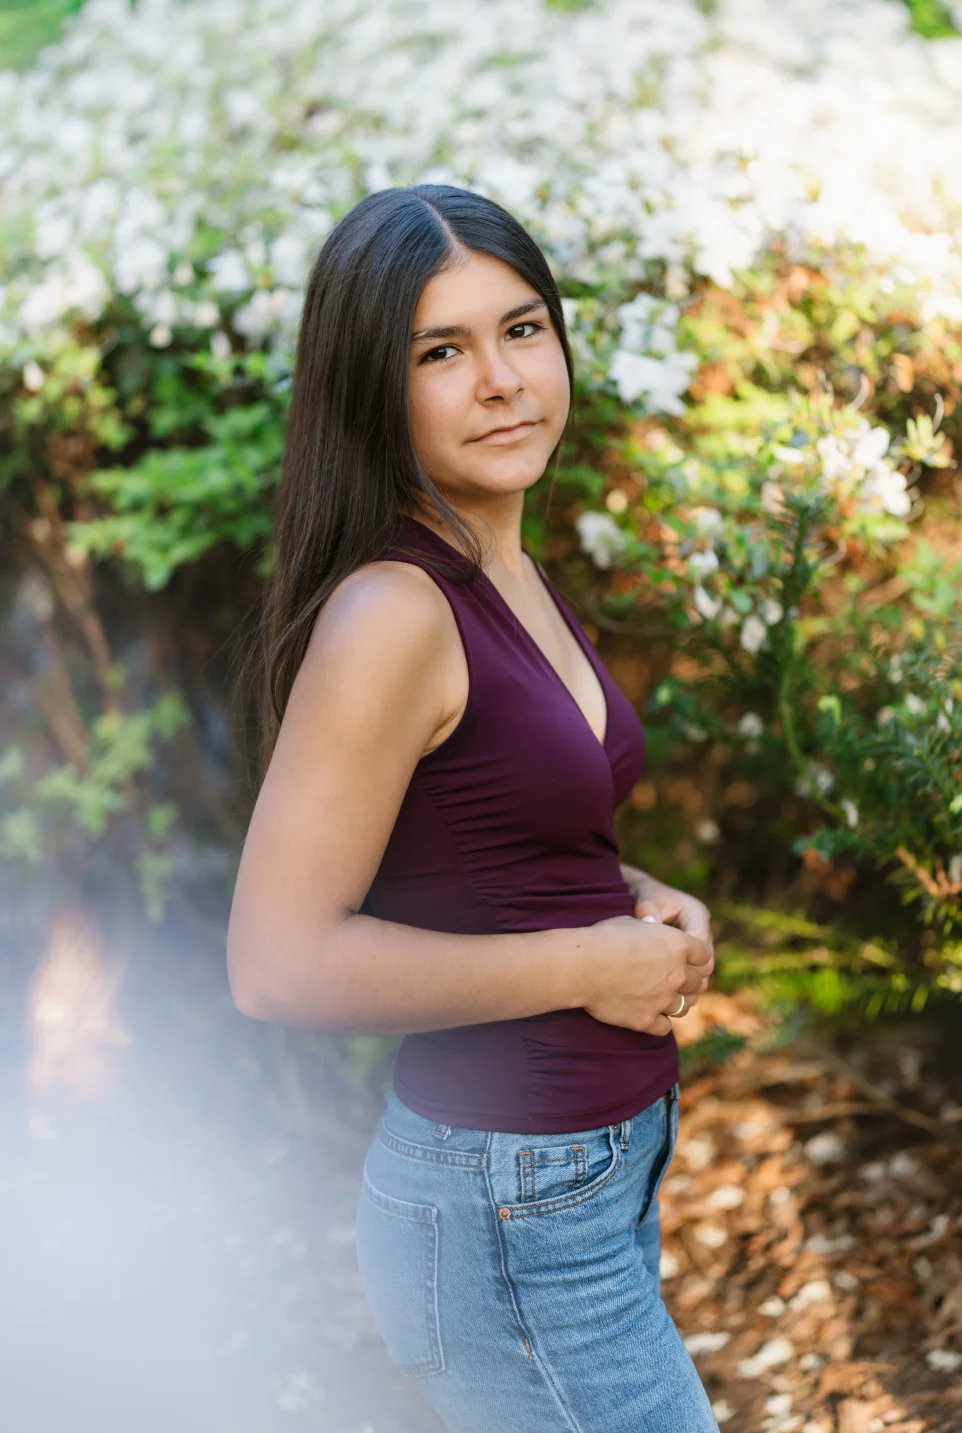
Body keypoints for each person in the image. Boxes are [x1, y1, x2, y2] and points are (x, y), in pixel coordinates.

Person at [227, 184, 721, 1432]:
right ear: (370, 389)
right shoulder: (392, 612)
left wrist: (634, 899)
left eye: (522, 329)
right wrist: (586, 960)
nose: (501, 378)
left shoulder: (499, 558)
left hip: (570, 1179)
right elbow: (277, 962)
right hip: (507, 1204)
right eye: (440, 351)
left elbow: (483, 840)